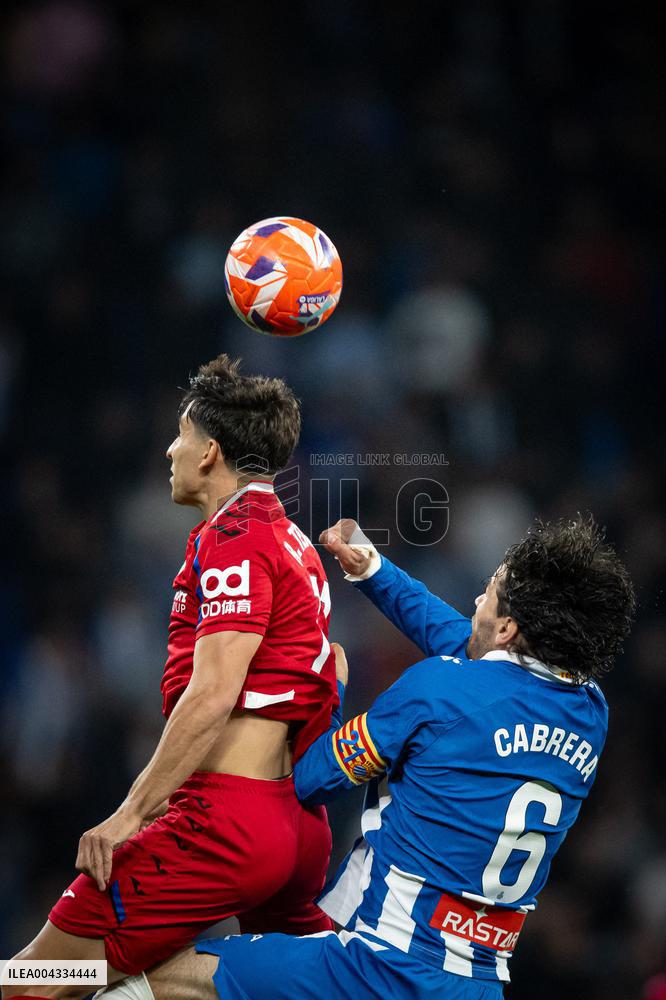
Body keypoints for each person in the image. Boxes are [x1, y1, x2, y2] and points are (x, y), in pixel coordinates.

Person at [92, 512, 635, 999]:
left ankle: (20, 979)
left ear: (509, 628)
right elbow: (479, 654)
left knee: (153, 985)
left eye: (488, 592)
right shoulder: (590, 711)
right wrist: (374, 570)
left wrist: (330, 696)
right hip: (478, 984)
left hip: (378, 967)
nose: (475, 601)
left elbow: (309, 780)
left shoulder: (436, 693)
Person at [2, 356, 338, 1000]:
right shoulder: (292, 542)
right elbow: (333, 663)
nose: (169, 448)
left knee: (35, 981)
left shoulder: (237, 537)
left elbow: (213, 691)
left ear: (210, 452)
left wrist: (130, 813)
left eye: (180, 435)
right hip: (290, 821)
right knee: (209, 987)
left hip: (223, 821)